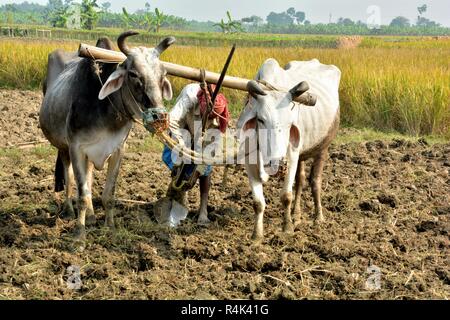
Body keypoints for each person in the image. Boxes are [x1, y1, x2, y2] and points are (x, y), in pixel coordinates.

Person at [162, 82, 230, 225]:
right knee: (176, 161)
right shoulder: (189, 97)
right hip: (182, 127)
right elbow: (172, 120)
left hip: (204, 140)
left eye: (212, 118)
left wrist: (196, 175)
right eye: (208, 116)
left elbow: (209, 154)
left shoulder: (219, 119)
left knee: (206, 169)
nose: (210, 120)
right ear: (201, 105)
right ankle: (178, 195)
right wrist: (181, 146)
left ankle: (203, 210)